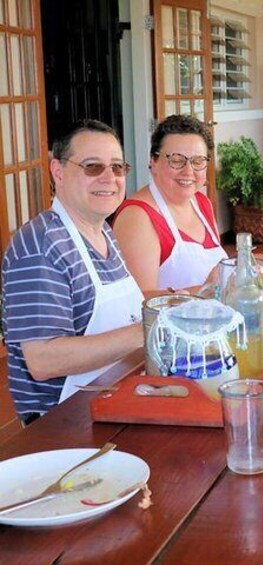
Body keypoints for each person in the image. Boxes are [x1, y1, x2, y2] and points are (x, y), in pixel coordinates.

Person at [1, 120, 144, 424]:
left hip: (117, 400)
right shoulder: (41, 246)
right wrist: (148, 331)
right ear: (58, 171)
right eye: (93, 167)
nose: (109, 178)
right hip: (66, 424)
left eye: (117, 167)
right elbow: (42, 359)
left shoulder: (102, 230)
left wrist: (183, 301)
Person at [112, 115, 263, 292]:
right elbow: (141, 302)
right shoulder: (137, 217)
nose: (188, 171)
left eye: (198, 161)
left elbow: (209, 268)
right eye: (176, 160)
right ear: (153, 162)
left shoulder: (201, 202)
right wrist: (210, 289)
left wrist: (260, 262)